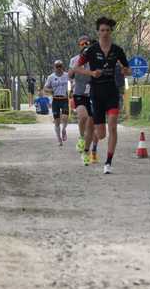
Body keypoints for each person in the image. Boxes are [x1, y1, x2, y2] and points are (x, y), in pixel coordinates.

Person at [74, 17, 132, 174]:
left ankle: (108, 162)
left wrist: (125, 71)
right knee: (101, 134)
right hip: (97, 93)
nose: (105, 33)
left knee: (113, 125)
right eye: (102, 30)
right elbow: (77, 68)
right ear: (98, 32)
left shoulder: (117, 50)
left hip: (112, 92)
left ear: (111, 32)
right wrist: (92, 72)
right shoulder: (91, 50)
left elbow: (128, 70)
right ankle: (86, 150)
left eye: (107, 30)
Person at [69, 35, 100, 163]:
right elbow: (70, 75)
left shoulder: (95, 59)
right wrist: (74, 70)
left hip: (94, 94)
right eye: (82, 44)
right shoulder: (75, 60)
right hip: (80, 93)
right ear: (79, 46)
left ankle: (94, 150)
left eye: (87, 43)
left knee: (95, 127)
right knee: (83, 117)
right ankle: (82, 138)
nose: (85, 46)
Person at [44, 60, 70, 147]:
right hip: (55, 100)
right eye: (57, 66)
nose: (59, 68)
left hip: (64, 99)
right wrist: (50, 90)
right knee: (57, 121)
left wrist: (71, 90)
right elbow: (45, 88)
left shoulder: (67, 75)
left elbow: (72, 83)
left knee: (65, 117)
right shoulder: (51, 77)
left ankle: (64, 130)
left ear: (62, 67)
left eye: (60, 66)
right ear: (54, 67)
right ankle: (59, 139)